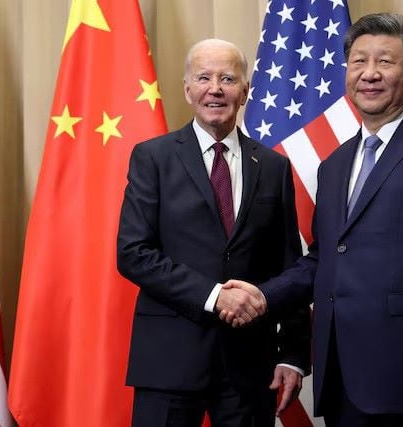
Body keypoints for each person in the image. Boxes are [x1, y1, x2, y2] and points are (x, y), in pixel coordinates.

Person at [221, 13, 403, 427]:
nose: (369, 74)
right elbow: (324, 258)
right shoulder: (334, 164)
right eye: (358, 62)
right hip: (343, 376)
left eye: (385, 62)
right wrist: (263, 295)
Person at [116, 38, 310, 427]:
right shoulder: (152, 158)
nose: (215, 88)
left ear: (245, 90)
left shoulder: (273, 167)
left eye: (227, 78)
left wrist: (291, 354)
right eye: (203, 77)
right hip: (169, 361)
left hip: (249, 366)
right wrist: (213, 297)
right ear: (187, 89)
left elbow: (288, 267)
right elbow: (133, 253)